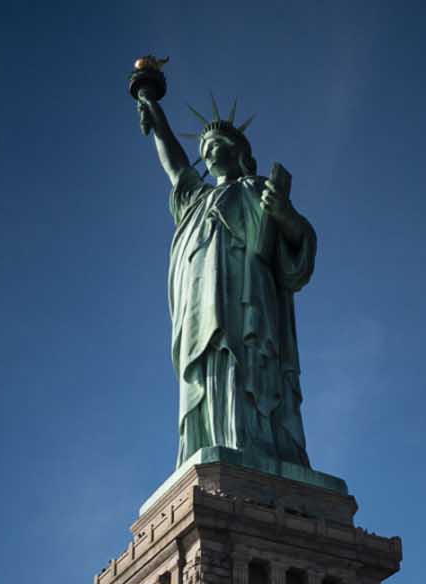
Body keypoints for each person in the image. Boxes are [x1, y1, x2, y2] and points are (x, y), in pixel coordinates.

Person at [136, 91, 318, 469]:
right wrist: (155, 116)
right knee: (212, 366)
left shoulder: (257, 190)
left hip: (251, 300)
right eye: (205, 147)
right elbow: (175, 167)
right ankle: (215, 438)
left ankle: (261, 445)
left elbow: (299, 247)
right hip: (202, 305)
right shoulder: (197, 201)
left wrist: (283, 215)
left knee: (249, 362)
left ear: (239, 151)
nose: (209, 151)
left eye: (218, 144)